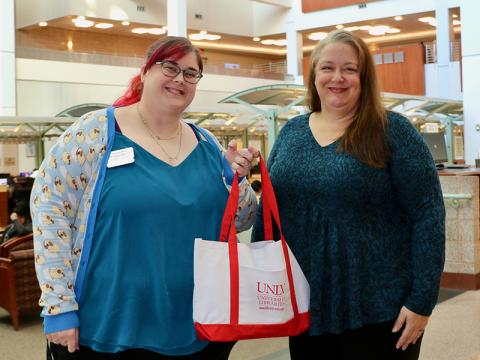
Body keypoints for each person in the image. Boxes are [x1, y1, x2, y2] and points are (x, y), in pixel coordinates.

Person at [31, 36, 259, 360]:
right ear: (145, 72)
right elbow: (50, 209)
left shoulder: (208, 144)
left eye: (190, 73)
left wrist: (235, 180)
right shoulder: (96, 131)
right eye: (170, 67)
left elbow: (243, 220)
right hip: (111, 324)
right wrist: (58, 305)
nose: (180, 78)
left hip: (198, 324)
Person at [252, 29, 445, 360]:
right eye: (327, 68)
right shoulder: (291, 134)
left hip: (381, 310)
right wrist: (260, 278)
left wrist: (422, 300)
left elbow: (428, 215)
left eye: (349, 69)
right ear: (314, 75)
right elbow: (269, 212)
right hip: (308, 308)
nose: (337, 78)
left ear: (363, 77)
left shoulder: (392, 130)